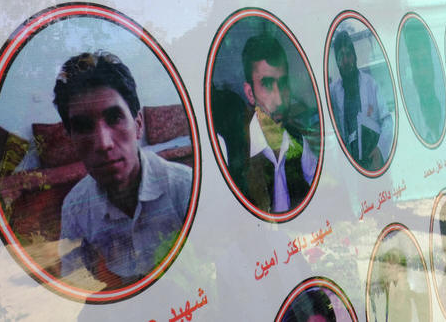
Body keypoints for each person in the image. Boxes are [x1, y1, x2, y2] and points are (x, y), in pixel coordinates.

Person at [55, 51, 192, 288]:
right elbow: (74, 284)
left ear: (138, 125)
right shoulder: (75, 207)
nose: (103, 143)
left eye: (114, 118)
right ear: (71, 140)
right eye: (84, 127)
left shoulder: (184, 187)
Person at [215, 34, 318, 213]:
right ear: (250, 93)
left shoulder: (298, 142)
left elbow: (321, 191)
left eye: (283, 83)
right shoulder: (231, 154)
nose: (279, 100)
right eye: (267, 84)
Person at [329, 31, 392, 171]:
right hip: (351, 165)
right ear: (337, 62)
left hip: (373, 161)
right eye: (341, 56)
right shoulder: (333, 91)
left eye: (348, 54)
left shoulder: (370, 84)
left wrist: (380, 150)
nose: (346, 61)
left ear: (354, 56)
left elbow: (387, 120)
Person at [404, 21, 443, 144]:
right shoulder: (410, 115)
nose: (421, 73)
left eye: (425, 62)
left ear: (433, 65)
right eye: (415, 64)